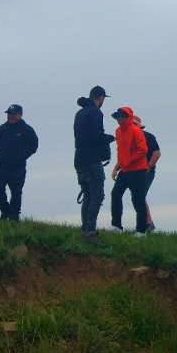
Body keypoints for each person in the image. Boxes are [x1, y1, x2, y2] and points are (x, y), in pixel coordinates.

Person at [0, 104, 39, 221]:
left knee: (16, 192)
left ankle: (14, 217)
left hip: (17, 167)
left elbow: (34, 146)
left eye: (14, 114)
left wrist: (22, 156)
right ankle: (6, 211)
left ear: (20, 115)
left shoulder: (27, 129)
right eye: (9, 114)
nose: (11, 116)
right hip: (1, 166)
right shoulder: (2, 129)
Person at [73, 85, 114, 240]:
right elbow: (95, 137)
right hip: (91, 160)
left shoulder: (80, 113)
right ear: (101, 97)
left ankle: (85, 229)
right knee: (97, 195)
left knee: (88, 194)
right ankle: (90, 231)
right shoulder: (96, 112)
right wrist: (109, 138)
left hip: (79, 159)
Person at [109, 106, 150, 232]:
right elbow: (121, 152)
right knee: (115, 194)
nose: (118, 119)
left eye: (120, 117)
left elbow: (143, 150)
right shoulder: (118, 132)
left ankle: (141, 231)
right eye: (117, 117)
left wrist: (127, 160)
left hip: (138, 171)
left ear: (127, 117)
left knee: (138, 200)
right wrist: (117, 167)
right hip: (125, 171)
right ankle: (116, 226)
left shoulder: (136, 131)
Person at [141, 121, 160, 232]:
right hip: (135, 171)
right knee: (139, 197)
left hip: (146, 171)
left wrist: (148, 167)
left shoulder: (148, 137)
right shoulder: (129, 137)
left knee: (140, 196)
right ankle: (148, 223)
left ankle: (148, 223)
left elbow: (157, 153)